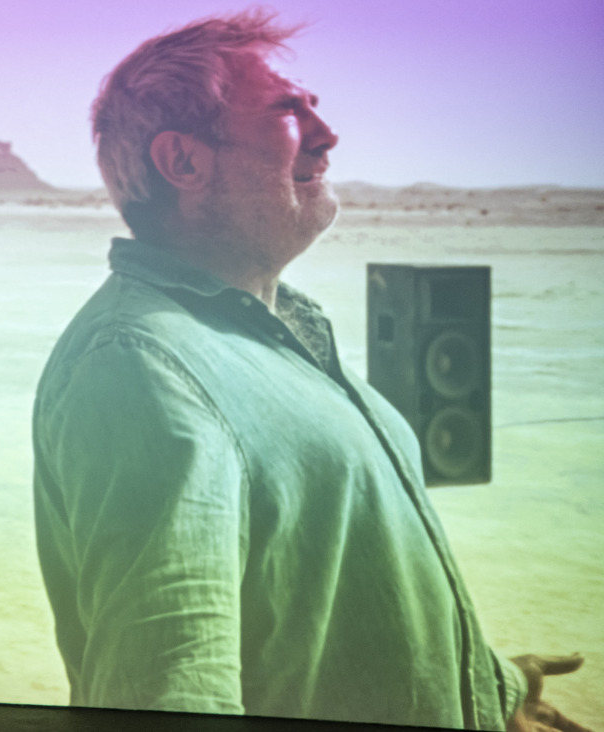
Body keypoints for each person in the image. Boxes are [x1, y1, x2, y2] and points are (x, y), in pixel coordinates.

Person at [31, 10, 588, 731]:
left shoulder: (271, 331)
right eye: (290, 110)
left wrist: (493, 689)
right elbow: (172, 690)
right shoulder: (142, 367)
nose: (327, 135)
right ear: (186, 162)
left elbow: (325, 601)